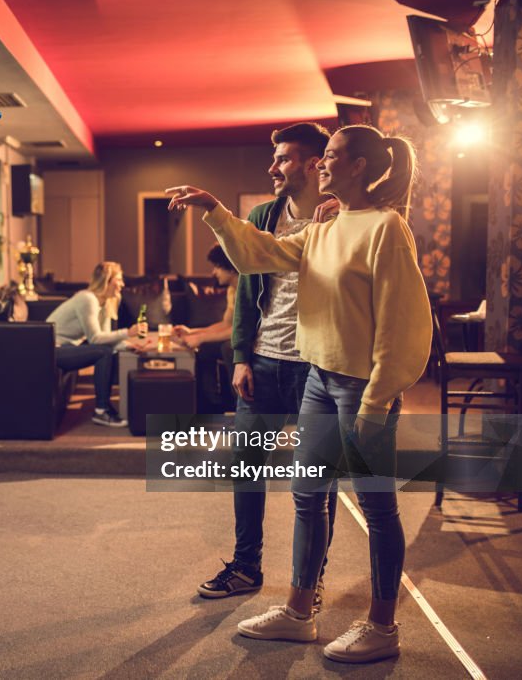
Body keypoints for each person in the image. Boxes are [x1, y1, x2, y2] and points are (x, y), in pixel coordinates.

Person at [167, 123, 432, 664]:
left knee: (378, 509)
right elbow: (256, 254)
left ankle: (382, 627)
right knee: (308, 498)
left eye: (331, 156)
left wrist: (378, 399)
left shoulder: (387, 228)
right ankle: (297, 613)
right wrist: (215, 210)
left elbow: (405, 326)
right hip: (317, 378)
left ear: (357, 165)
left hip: (361, 389)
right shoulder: (324, 228)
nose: (323, 165)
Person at [192, 123, 340, 606]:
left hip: (319, 366)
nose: (272, 167)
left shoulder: (345, 216)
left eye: (283, 159)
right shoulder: (261, 215)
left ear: (314, 163)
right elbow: (244, 298)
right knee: (247, 466)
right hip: (264, 361)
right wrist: (240, 356)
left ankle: (310, 579)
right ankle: (246, 566)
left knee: (318, 479)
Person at [46, 261, 136, 427]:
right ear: (107, 280)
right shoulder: (87, 299)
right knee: (103, 353)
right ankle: (101, 411)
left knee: (107, 351)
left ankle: (104, 406)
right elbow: (95, 339)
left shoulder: (106, 302)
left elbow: (106, 339)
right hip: (51, 349)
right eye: (119, 279)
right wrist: (127, 332)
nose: (122, 284)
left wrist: (130, 345)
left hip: (68, 347)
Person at [172, 243, 238, 414]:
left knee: (227, 347)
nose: (213, 272)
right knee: (206, 349)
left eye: (217, 267)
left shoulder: (247, 288)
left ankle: (239, 406)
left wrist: (199, 338)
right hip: (238, 335)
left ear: (231, 268)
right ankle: (211, 405)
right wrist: (193, 332)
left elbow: (241, 331)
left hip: (254, 339)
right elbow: (226, 324)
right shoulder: (232, 290)